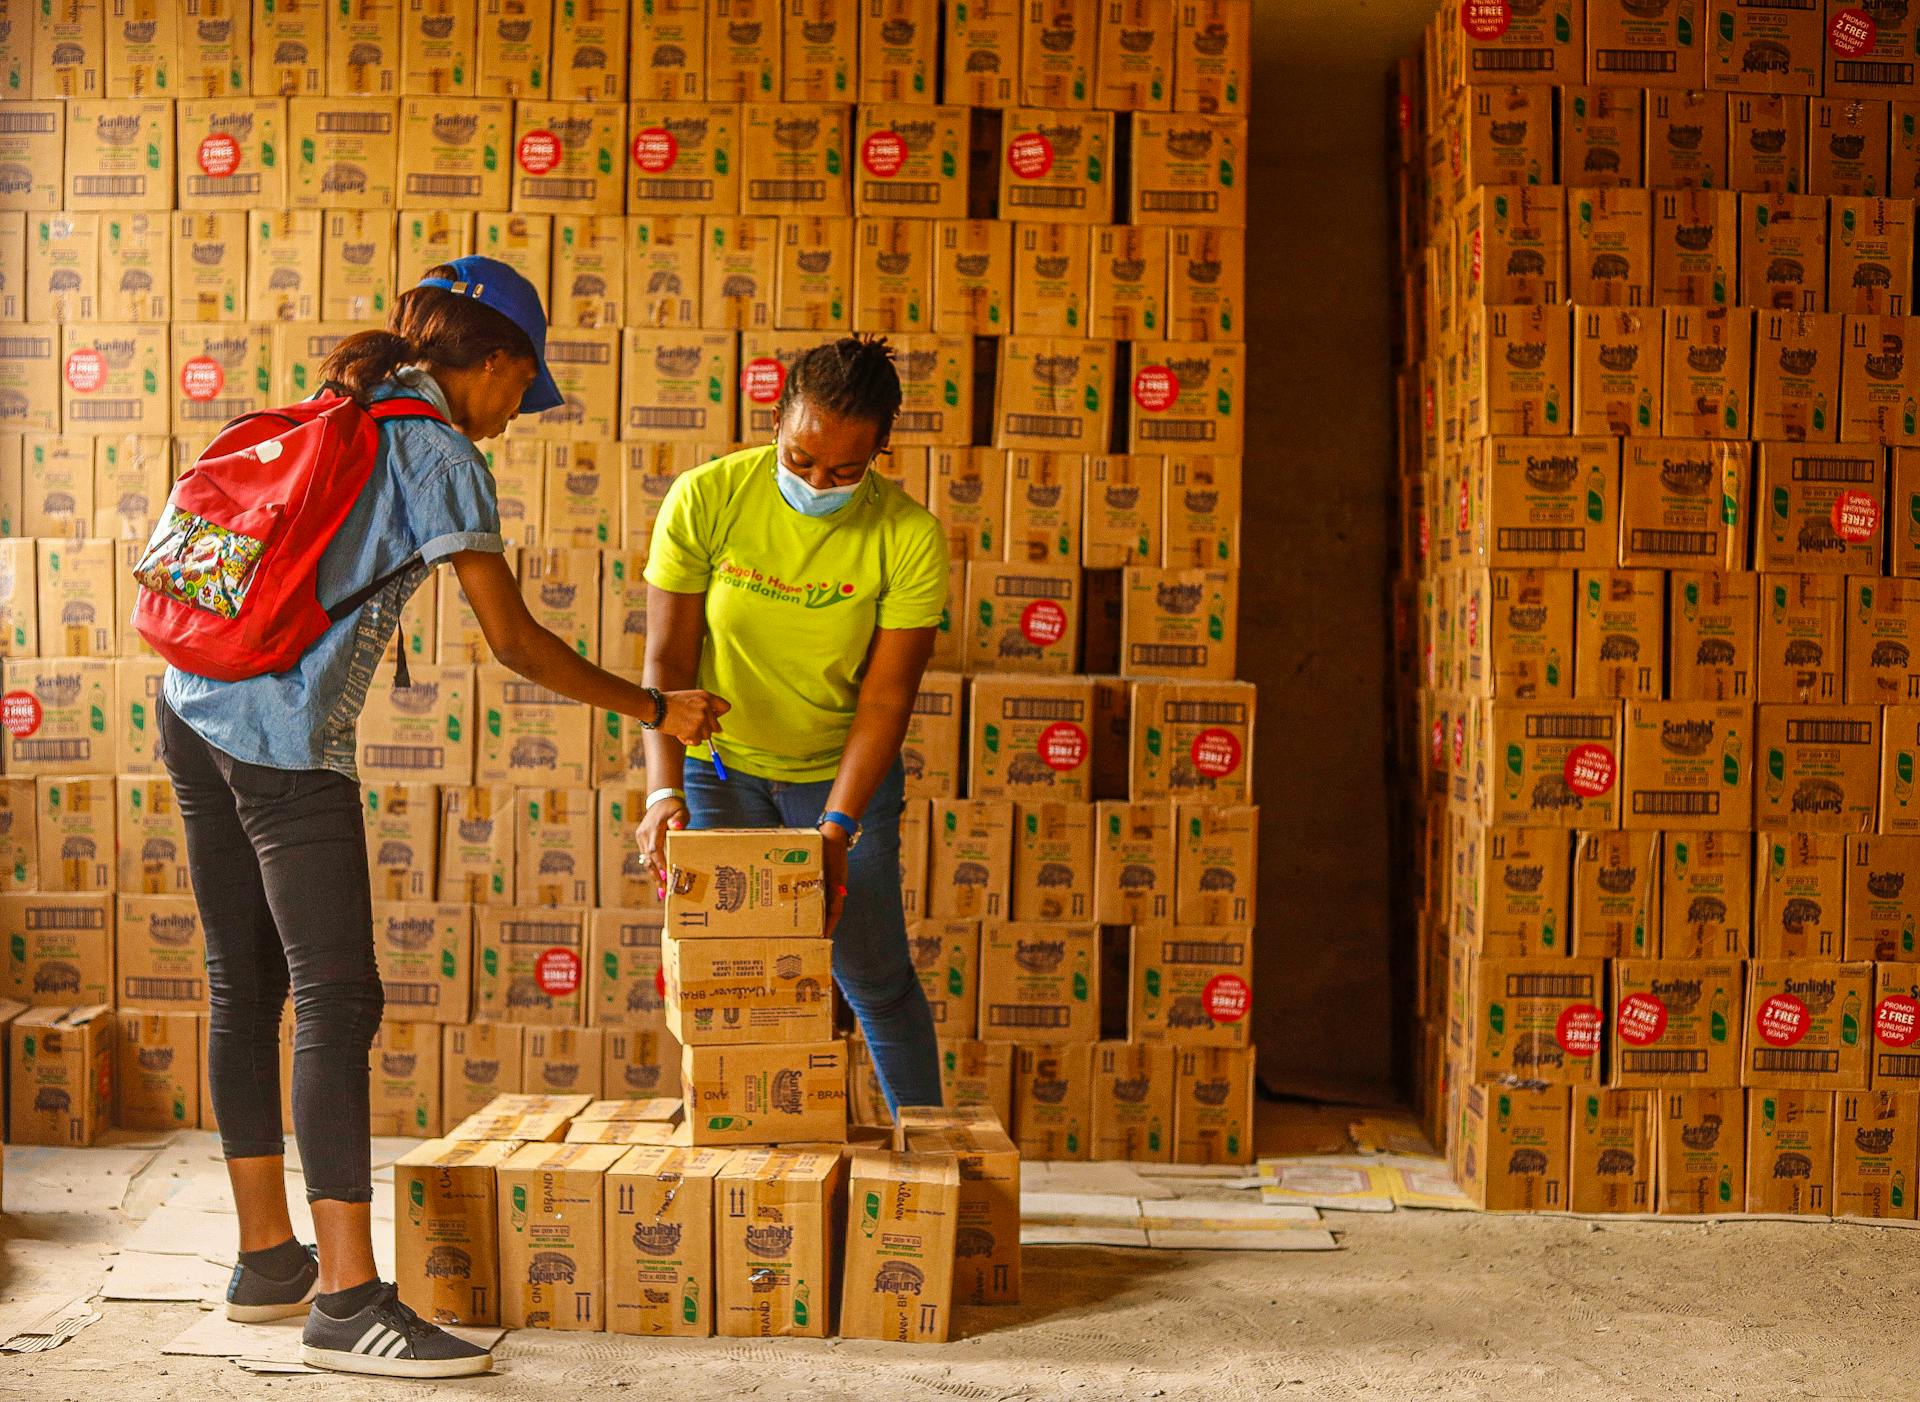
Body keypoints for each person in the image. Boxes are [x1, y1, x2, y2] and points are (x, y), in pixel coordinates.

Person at [157, 256, 725, 1379]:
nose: (519, 412)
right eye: (524, 387)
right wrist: (655, 705)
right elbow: (513, 641)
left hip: (190, 703)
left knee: (244, 980)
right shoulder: (438, 451)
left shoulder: (347, 402)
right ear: (496, 360)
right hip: (278, 740)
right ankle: (347, 1299)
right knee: (337, 993)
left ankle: (267, 1260)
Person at [638, 335, 951, 1117]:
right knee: (738, 982)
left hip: (842, 780)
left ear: (880, 451)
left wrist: (839, 825)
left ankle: (936, 1158)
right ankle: (759, 1169)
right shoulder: (707, 497)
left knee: (874, 978)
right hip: (722, 771)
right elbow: (667, 660)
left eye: (845, 471)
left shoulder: (907, 537)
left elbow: (885, 700)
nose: (818, 482)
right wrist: (660, 791)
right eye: (800, 458)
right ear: (776, 421)